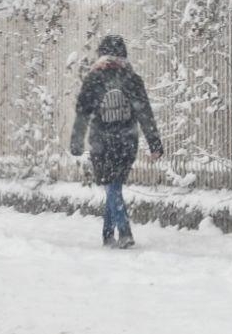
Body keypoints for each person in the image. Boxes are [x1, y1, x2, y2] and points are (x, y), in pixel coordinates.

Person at [70, 35, 163, 249]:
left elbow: (83, 112)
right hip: (127, 141)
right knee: (115, 185)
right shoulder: (132, 78)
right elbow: (144, 113)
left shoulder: (93, 79)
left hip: (101, 141)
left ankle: (122, 231)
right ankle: (111, 232)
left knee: (112, 186)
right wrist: (154, 143)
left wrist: (77, 141)